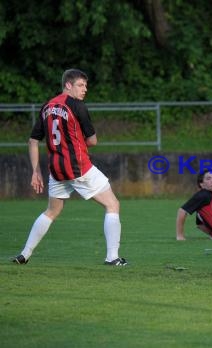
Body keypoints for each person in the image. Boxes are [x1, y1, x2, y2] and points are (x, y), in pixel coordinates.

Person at [12, 69, 127, 266]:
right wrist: (78, 144)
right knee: (112, 204)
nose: (85, 90)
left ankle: (24, 254)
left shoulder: (47, 106)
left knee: (51, 211)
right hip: (78, 167)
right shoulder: (77, 106)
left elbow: (33, 141)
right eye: (81, 85)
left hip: (56, 170)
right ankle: (112, 257)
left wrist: (35, 171)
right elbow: (93, 140)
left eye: (86, 86)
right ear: (68, 85)